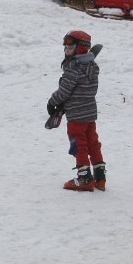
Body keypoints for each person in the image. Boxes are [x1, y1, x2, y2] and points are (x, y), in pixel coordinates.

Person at [46, 30, 106, 191]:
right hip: (89, 114)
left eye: (70, 46)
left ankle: (84, 178)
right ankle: (100, 176)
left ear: (80, 48)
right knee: (92, 142)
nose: (66, 49)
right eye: (65, 46)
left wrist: (52, 102)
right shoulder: (91, 67)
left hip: (76, 116)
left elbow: (64, 92)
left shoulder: (74, 68)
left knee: (79, 145)